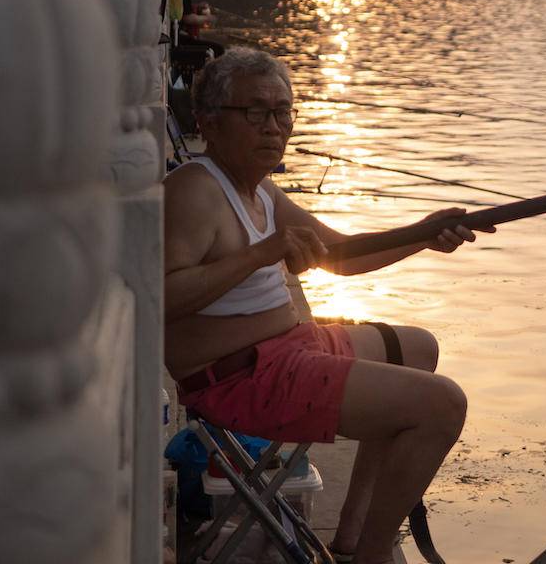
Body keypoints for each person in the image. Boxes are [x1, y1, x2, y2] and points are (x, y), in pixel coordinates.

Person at [164, 47, 491, 564]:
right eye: (255, 113)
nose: (274, 127)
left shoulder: (260, 191)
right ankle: (374, 556)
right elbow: (161, 296)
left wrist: (423, 235)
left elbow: (342, 256)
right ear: (208, 120)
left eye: (282, 112)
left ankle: (356, 532)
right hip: (242, 376)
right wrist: (261, 254)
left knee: (417, 348)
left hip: (289, 350)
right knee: (442, 405)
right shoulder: (193, 191)